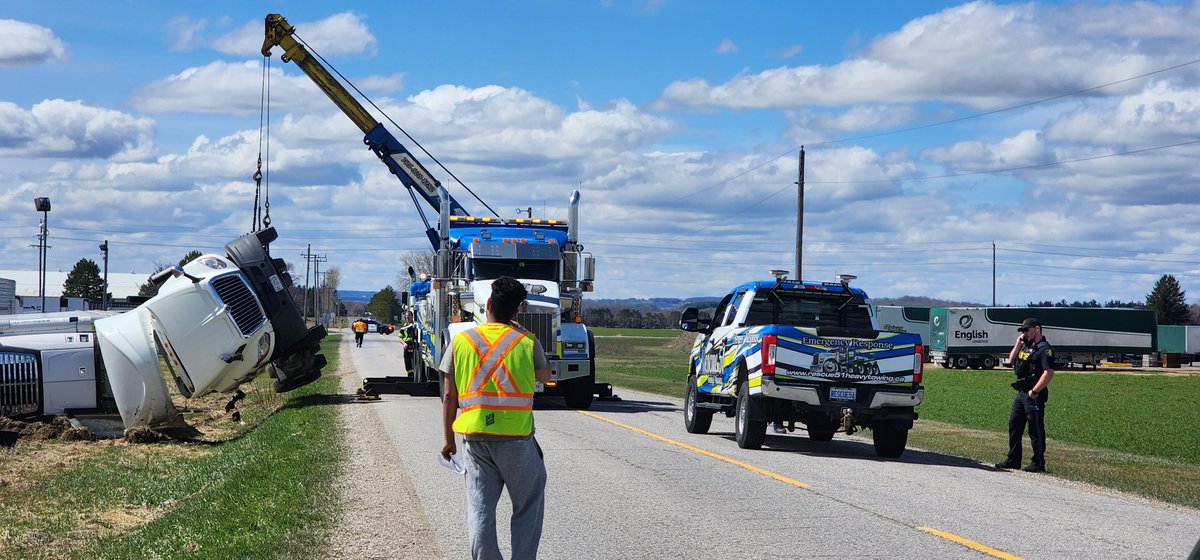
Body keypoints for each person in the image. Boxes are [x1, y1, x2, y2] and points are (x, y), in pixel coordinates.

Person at [440, 276, 552, 560]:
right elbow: (545, 375)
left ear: (488, 304)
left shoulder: (461, 342)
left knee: (480, 511)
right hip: (518, 441)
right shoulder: (526, 341)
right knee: (527, 508)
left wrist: (448, 440)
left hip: (476, 441)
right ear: (517, 311)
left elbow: (449, 396)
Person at [995, 318, 1055, 473]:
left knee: (1035, 429)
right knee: (1014, 425)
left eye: (1026, 330)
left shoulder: (1044, 349)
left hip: (1034, 394)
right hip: (1021, 393)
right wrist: (1018, 344)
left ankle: (1038, 462)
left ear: (1037, 329)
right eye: (1022, 331)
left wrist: (1035, 391)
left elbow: (1049, 373)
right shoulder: (1026, 346)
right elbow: (1010, 360)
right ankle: (1013, 460)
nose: (1024, 333)